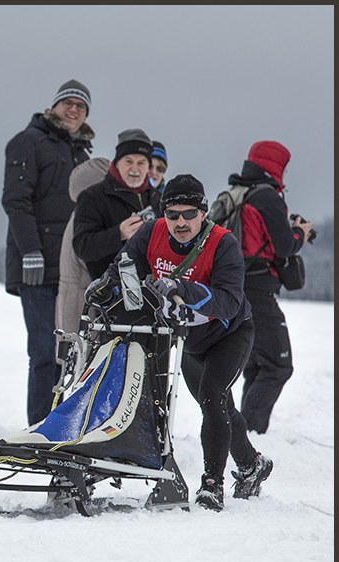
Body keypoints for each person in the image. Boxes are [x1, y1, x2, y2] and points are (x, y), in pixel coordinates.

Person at [86, 174, 273, 511]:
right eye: (172, 214)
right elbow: (125, 266)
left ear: (203, 213)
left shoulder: (223, 242)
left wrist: (181, 290)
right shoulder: (152, 232)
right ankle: (251, 465)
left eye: (189, 214)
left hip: (229, 333)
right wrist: (107, 285)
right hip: (188, 338)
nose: (181, 222)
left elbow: (229, 301)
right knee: (219, 405)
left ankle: (212, 485)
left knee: (212, 396)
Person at [2, 78, 95, 425]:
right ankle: (40, 429)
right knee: (44, 351)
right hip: (36, 267)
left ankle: (64, 426)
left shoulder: (83, 154)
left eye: (80, 106)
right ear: (54, 106)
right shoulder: (28, 142)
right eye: (67, 103)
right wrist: (31, 251)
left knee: (71, 353)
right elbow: (15, 200)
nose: (73, 110)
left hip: (73, 268)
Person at [228, 141, 313, 434]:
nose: (285, 176)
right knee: (278, 365)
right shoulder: (267, 197)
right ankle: (249, 433)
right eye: (284, 169)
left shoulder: (240, 192)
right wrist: (300, 233)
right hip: (259, 291)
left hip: (236, 289)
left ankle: (244, 430)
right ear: (274, 167)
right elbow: (284, 245)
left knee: (257, 365)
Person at [73, 128, 163, 281]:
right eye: (128, 161)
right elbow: (82, 247)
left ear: (148, 167)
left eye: (141, 163)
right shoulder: (92, 197)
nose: (135, 169)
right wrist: (119, 234)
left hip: (155, 292)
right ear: (116, 163)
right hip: (110, 294)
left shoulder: (158, 199)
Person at [54, 157, 111, 336]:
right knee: (84, 359)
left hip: (72, 302)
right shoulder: (86, 219)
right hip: (83, 308)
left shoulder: (77, 215)